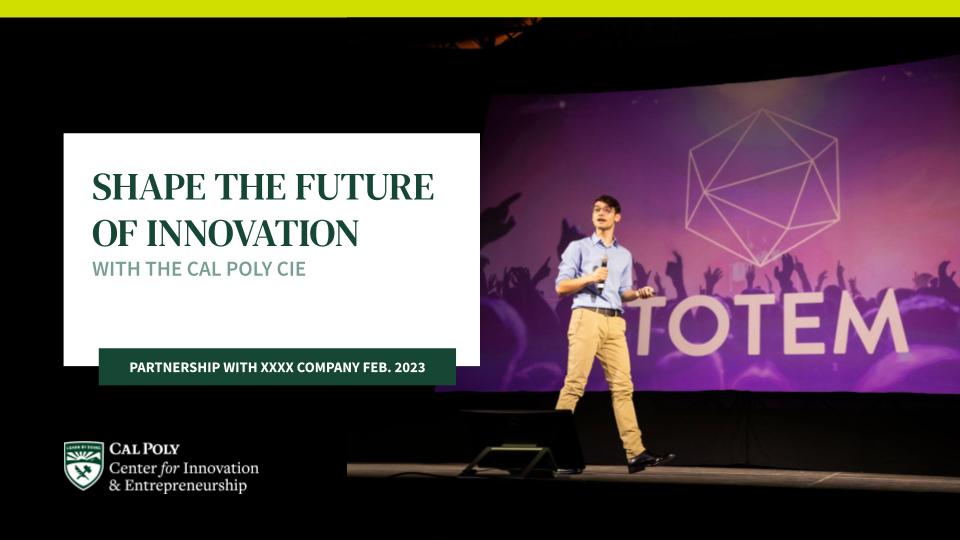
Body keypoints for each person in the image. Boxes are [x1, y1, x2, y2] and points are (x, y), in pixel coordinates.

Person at [554, 194, 676, 473]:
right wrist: (590, 277)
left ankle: (636, 454)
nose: (600, 213)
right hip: (586, 317)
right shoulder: (579, 247)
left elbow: (622, 293)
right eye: (596, 209)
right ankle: (557, 453)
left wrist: (638, 293)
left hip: (614, 321)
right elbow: (560, 287)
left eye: (607, 210)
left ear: (616, 217)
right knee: (574, 385)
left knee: (623, 388)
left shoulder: (624, 255)